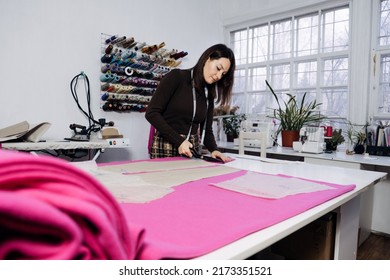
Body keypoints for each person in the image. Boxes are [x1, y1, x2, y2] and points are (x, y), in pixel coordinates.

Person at [145, 43, 235, 162]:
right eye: (218, 68)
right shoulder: (176, 77)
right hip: (166, 145)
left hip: (191, 150)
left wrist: (214, 150)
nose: (219, 76)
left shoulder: (209, 94)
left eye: (223, 74)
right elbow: (151, 113)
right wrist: (179, 141)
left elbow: (207, 131)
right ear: (208, 58)